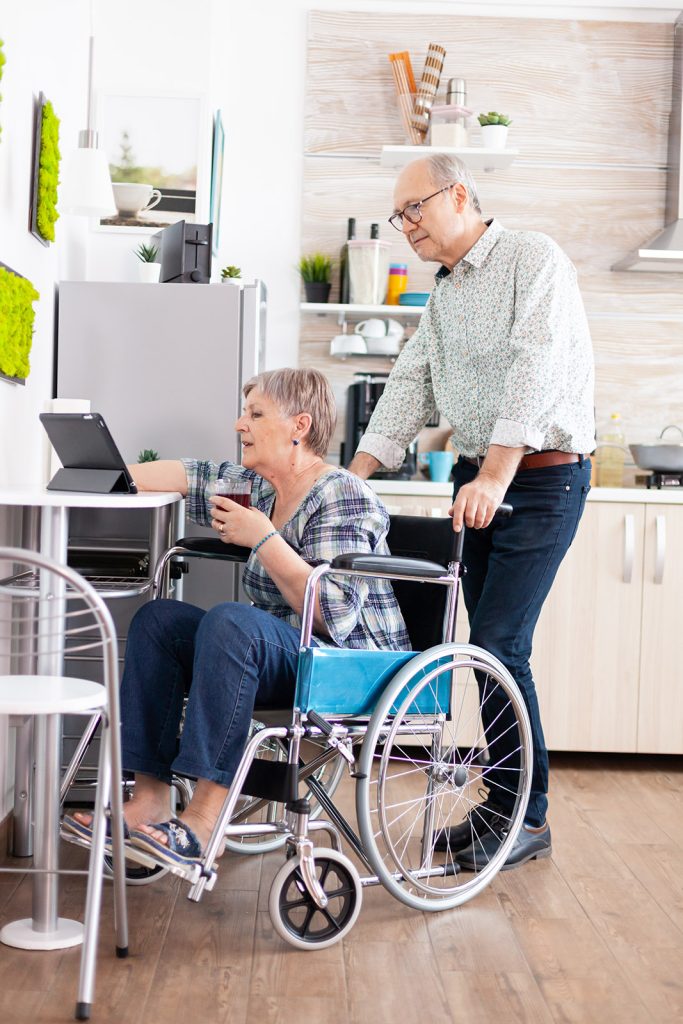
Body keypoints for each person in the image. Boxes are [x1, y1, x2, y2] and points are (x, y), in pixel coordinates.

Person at [348, 154, 595, 871]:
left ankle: (527, 815)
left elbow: (536, 363)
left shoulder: (531, 259)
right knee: (479, 653)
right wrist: (354, 475)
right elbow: (411, 379)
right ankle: (500, 804)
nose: (406, 229)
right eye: (400, 217)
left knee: (497, 644)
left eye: (413, 211)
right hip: (477, 482)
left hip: (539, 480)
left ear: (458, 195)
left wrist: (493, 471)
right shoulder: (446, 289)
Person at [65, 367, 409, 867]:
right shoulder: (261, 489)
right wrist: (97, 474)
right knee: (157, 622)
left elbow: (332, 614)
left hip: (345, 664)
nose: (239, 424)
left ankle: (205, 823)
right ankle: (149, 802)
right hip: (277, 653)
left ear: (300, 425)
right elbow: (188, 475)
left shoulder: (342, 494)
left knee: (231, 622)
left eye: (255, 414)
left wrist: (264, 537)